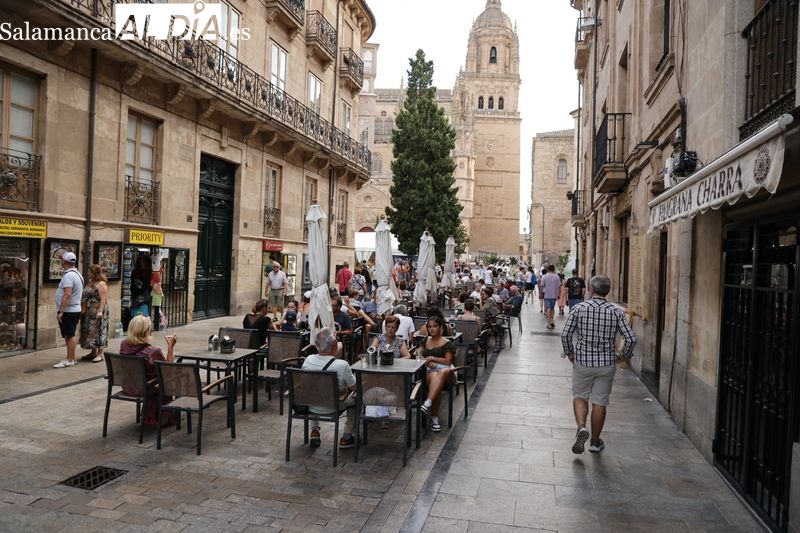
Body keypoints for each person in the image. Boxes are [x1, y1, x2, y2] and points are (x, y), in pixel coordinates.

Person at [560, 275, 636, 454]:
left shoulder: (579, 308)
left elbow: (565, 334)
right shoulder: (616, 311)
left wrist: (570, 352)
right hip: (606, 363)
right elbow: (631, 338)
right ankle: (595, 442)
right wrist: (622, 356)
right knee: (600, 402)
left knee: (580, 396)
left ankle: (581, 427)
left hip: (583, 361)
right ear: (607, 291)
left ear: (591, 290)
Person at [301, 327, 357, 449]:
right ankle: (346, 437)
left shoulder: (308, 361)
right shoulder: (341, 365)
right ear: (334, 345)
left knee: (315, 392)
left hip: (311, 406)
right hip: (333, 407)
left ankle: (315, 431)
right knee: (357, 399)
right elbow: (355, 387)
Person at [119, 315, 177, 426]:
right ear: (147, 331)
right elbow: (168, 370)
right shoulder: (152, 351)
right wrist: (170, 347)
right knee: (166, 382)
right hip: (143, 389)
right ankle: (164, 417)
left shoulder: (124, 345)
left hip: (128, 386)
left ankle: (150, 414)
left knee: (156, 381)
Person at [419, 316, 455, 432]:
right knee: (435, 379)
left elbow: (448, 361)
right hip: (428, 371)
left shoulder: (447, 343)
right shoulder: (424, 341)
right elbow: (418, 356)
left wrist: (431, 358)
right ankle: (433, 416)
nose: (432, 329)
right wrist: (427, 362)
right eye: (429, 327)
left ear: (441, 328)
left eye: (435, 326)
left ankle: (429, 403)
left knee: (441, 373)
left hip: (445, 372)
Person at [53, 251, 84, 368]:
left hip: (69, 310)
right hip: (73, 309)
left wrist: (61, 311)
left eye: (62, 260)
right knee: (68, 334)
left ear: (64, 262)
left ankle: (70, 359)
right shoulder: (77, 274)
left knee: (70, 335)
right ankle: (70, 358)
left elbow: (67, 294)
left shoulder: (69, 276)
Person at [78, 264, 109, 364]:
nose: (87, 273)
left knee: (100, 330)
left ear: (94, 273)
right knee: (91, 331)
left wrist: (100, 311)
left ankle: (99, 354)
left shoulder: (101, 284)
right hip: (89, 311)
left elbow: (103, 299)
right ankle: (93, 351)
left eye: (89, 272)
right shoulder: (91, 283)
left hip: (97, 310)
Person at [540, 265, 561, 329]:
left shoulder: (544, 276)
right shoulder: (557, 276)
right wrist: (559, 294)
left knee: (548, 308)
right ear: (553, 269)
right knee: (552, 308)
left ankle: (549, 324)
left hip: (547, 295)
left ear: (548, 269)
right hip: (554, 295)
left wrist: (541, 293)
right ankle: (551, 321)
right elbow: (559, 286)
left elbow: (542, 286)